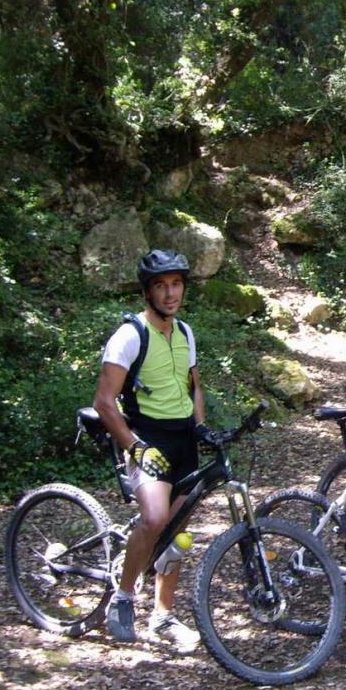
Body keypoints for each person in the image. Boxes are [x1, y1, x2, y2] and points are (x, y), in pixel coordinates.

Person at [95, 249, 211, 652]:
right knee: (155, 518)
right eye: (160, 285)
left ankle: (162, 616)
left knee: (177, 533)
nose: (170, 293)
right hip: (147, 440)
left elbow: (193, 385)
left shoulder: (185, 333)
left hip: (183, 441)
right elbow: (105, 402)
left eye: (176, 284)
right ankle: (123, 600)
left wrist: (202, 428)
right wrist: (135, 447)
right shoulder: (130, 335)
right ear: (147, 291)